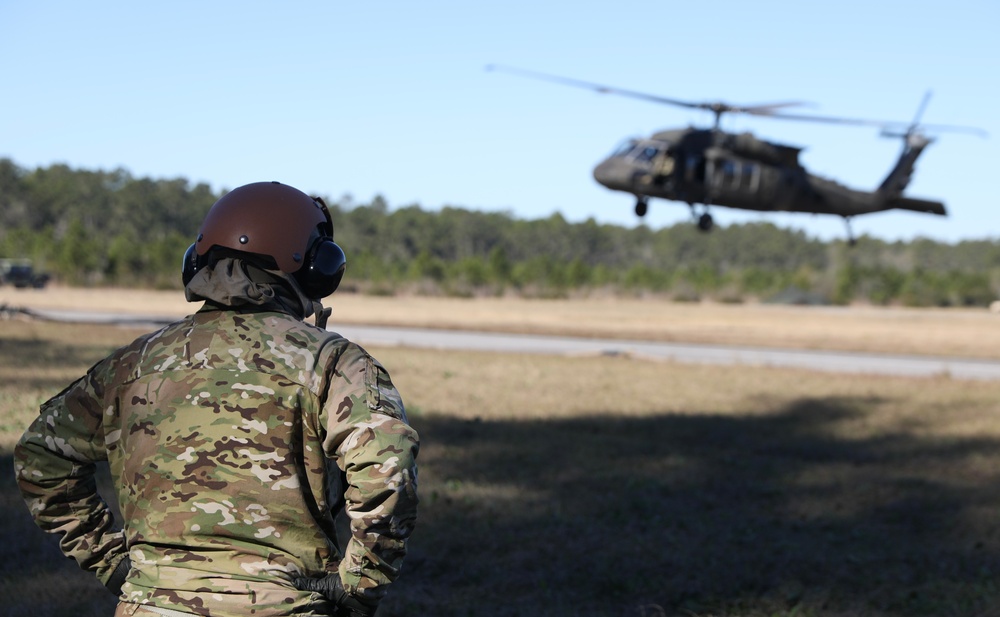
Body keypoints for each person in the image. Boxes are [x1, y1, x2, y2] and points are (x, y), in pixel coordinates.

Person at [13, 181, 419, 617]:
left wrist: (112, 563)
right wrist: (357, 585)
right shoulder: (333, 363)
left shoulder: (133, 363)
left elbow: (41, 455)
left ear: (199, 260)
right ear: (315, 267)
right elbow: (387, 470)